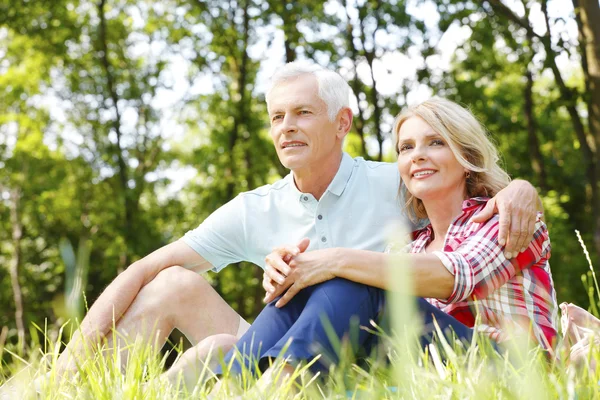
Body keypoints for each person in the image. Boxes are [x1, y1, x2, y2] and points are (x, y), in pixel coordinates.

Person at [54, 62, 542, 383]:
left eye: (303, 113)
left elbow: (458, 267)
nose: (286, 126)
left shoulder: (464, 207)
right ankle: (78, 389)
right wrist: (291, 269)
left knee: (348, 282)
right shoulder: (412, 235)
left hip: (463, 361)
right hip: (359, 350)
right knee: (191, 302)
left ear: (342, 124)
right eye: (276, 117)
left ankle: (266, 387)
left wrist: (521, 189)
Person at [234, 98, 558, 385]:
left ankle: (281, 387)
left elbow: (457, 276)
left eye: (435, 143)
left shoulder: (509, 218)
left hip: (513, 368)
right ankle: (231, 385)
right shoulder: (409, 247)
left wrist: (334, 261)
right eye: (406, 148)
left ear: (466, 158)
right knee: (315, 287)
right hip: (433, 367)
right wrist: (291, 270)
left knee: (351, 278)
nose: (417, 156)